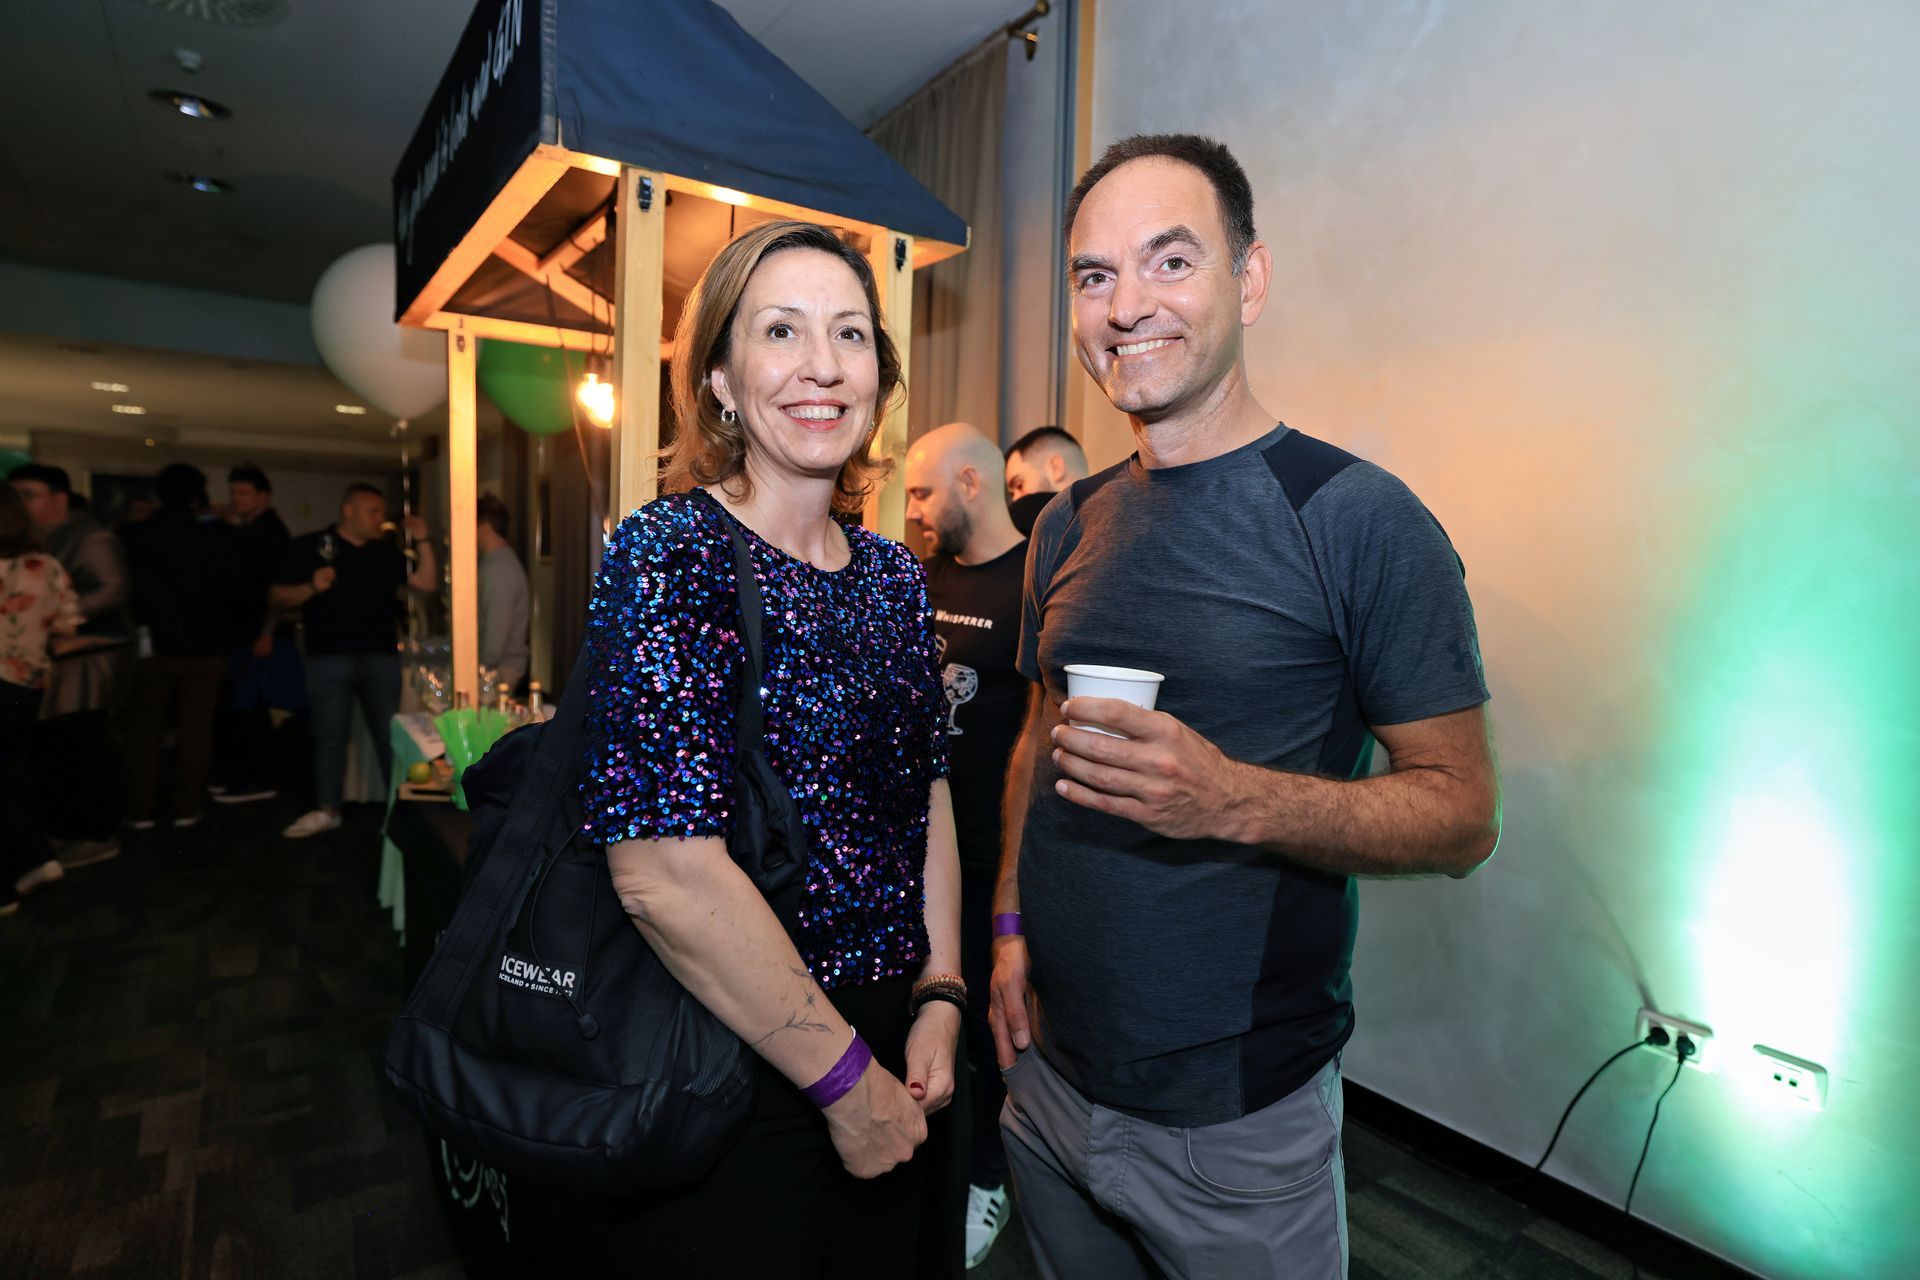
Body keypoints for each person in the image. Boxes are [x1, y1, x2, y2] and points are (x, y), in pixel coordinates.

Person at [991, 134, 1501, 1280]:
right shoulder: (1065, 523)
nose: (1127, 305)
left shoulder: (1359, 519)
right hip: (1049, 1083)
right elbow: (1035, 736)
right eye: (1094, 275)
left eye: (1170, 261)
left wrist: (1230, 799)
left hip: (1234, 1125)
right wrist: (1010, 923)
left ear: (1250, 279)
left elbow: (1464, 813)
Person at [579, 219, 962, 1276]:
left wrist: (942, 992)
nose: (823, 365)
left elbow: (925, 796)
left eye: (850, 333)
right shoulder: (670, 552)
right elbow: (661, 872)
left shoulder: (894, 576)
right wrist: (844, 1083)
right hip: (735, 1050)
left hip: (901, 1040)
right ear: (719, 377)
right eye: (781, 330)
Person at [903, 422, 1032, 1268]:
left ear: (971, 485)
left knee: (990, 1035)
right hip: (923, 849)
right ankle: (937, 1171)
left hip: (995, 855)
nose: (913, 509)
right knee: (926, 1015)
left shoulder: (1030, 583)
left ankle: (991, 1178)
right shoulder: (924, 576)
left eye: (923, 492)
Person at [271, 485, 437, 839]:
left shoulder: (385, 552)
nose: (380, 518)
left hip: (380, 657)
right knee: (330, 738)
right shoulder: (312, 546)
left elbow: (426, 582)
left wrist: (422, 539)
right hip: (327, 658)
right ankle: (328, 809)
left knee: (390, 737)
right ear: (348, 510)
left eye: (381, 512)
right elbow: (278, 597)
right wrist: (312, 587)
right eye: (372, 511)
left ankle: (401, 812)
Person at [8, 463, 132, 868]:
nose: (22, 504)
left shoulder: (90, 536)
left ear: (59, 498)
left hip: (85, 663)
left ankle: (92, 835)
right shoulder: (43, 539)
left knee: (79, 745)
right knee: (59, 748)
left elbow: (113, 588)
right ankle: (68, 833)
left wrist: (53, 614)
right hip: (56, 662)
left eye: (30, 494)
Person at [119, 464, 247, 830]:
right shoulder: (219, 537)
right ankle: (186, 806)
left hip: (153, 644)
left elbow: (130, 593)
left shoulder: (135, 535)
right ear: (197, 497)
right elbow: (235, 591)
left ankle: (141, 809)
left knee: (144, 731)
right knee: (196, 730)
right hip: (206, 646)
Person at [1, 484, 83, 914]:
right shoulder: (47, 566)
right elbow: (69, 623)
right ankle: (36, 859)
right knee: (13, 773)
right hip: (27, 686)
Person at [213, 462, 295, 804]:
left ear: (263, 496)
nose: (236, 499)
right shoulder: (250, 531)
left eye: (243, 493)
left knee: (252, 707)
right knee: (245, 707)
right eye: (233, 493)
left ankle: (259, 777)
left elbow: (278, 590)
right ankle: (249, 775)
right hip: (246, 631)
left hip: (257, 633)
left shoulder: (270, 533)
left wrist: (267, 631)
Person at [475, 493, 529, 694]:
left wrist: (481, 669)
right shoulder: (497, 563)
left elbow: (496, 625)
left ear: (484, 527)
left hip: (497, 672)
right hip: (498, 669)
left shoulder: (498, 568)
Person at [1002, 426, 1088, 537]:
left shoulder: (1022, 515)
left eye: (1019, 485)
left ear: (1055, 467)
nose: (1016, 500)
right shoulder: (1107, 513)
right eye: (1012, 494)